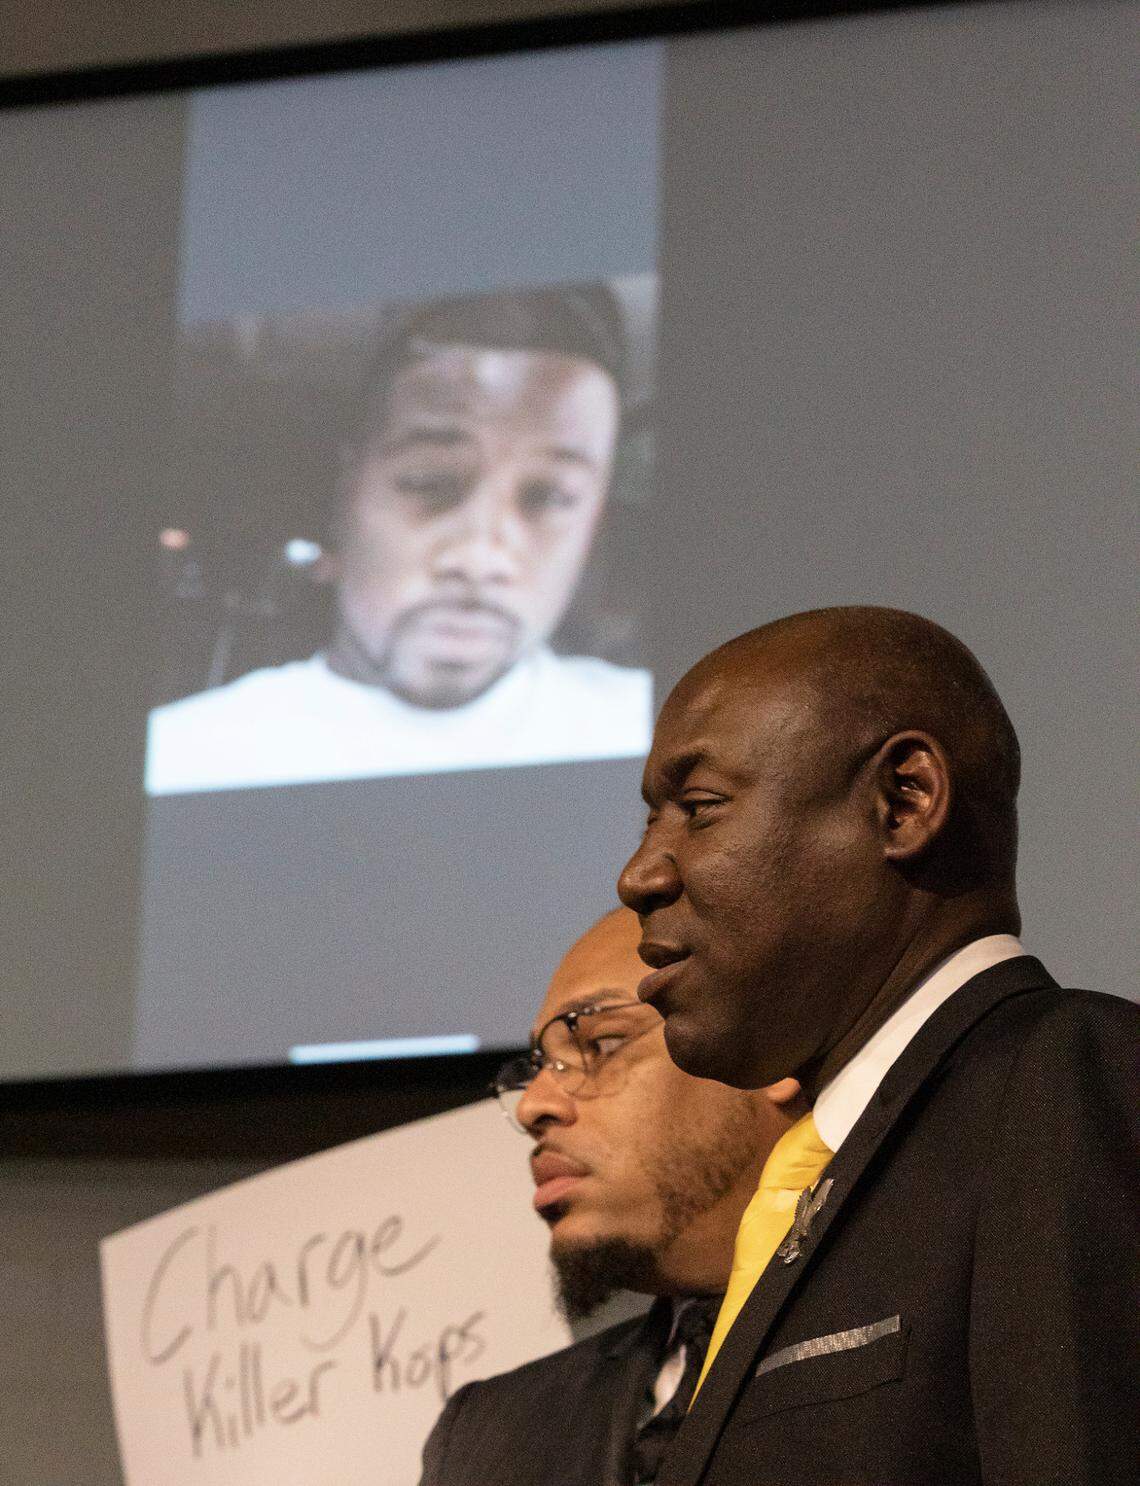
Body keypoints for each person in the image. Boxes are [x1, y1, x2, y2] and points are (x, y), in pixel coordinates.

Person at [616, 605, 1138, 1486]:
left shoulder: (1061, 1083)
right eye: (649, 821)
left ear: (904, 802)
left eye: (699, 809)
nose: (640, 875)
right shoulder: (830, 1173)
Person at [146, 286, 651, 794]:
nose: (479, 559)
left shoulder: (678, 739)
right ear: (346, 494)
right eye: (429, 483)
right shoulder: (185, 759)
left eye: (548, 497)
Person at [418, 906, 802, 1486]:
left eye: (600, 1043)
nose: (532, 1107)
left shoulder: (936, 1338)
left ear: (772, 1049)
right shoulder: (491, 1438)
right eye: (539, 1066)